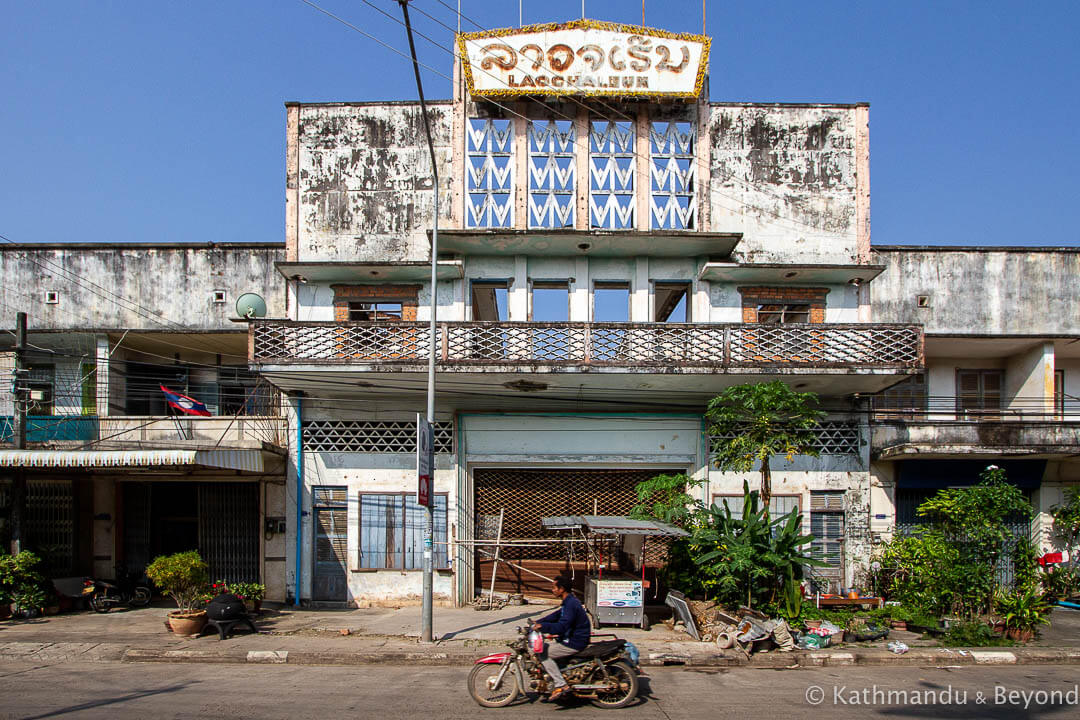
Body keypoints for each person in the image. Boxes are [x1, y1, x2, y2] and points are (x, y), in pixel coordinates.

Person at [533, 575, 591, 701]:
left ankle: (561, 684)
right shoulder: (568, 602)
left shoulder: (571, 604)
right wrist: (537, 622)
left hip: (575, 642)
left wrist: (543, 626)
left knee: (543, 653)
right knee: (548, 648)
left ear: (562, 589)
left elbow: (562, 626)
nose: (552, 590)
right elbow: (556, 615)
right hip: (571, 638)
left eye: (554, 587)